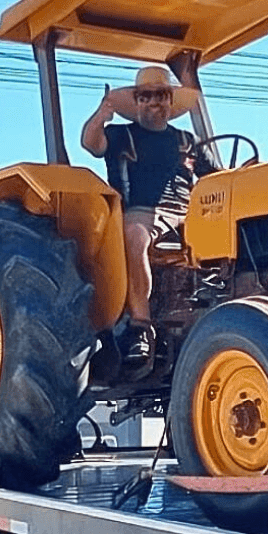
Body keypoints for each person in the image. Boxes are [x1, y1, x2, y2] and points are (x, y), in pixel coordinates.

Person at [81, 66, 203, 365]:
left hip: (190, 211)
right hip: (141, 211)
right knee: (135, 236)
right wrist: (101, 116)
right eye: (145, 96)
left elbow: (215, 174)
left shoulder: (186, 140)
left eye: (160, 95)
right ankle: (140, 326)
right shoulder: (121, 135)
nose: (153, 101)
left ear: (170, 100)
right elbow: (91, 144)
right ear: (136, 102)